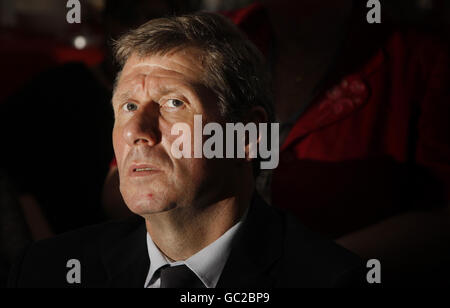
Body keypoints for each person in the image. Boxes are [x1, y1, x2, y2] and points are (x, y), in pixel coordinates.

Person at [8, 12, 364, 288]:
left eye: (174, 103)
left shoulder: (331, 281)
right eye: (128, 107)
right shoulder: (46, 271)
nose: (136, 131)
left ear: (248, 135)